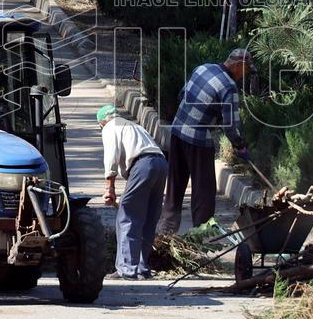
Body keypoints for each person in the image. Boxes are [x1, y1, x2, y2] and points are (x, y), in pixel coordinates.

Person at [159, 48, 253, 234]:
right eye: (247, 70)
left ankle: (166, 230)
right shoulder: (229, 87)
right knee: (204, 192)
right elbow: (230, 126)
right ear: (238, 65)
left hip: (177, 131)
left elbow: (181, 95)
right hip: (198, 140)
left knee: (175, 184)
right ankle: (200, 236)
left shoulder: (203, 68)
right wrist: (240, 146)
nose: (246, 74)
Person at [98, 105, 168, 280]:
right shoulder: (134, 126)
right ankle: (142, 269)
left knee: (127, 217)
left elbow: (111, 156)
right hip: (161, 164)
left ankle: (126, 269)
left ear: (101, 122)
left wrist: (110, 188)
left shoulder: (110, 127)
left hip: (143, 165)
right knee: (148, 219)